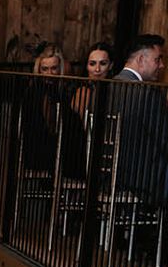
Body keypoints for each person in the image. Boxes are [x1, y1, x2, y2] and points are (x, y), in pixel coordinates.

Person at [112, 34, 168, 205]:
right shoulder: (148, 94)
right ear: (141, 59)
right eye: (158, 59)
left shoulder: (105, 88)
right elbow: (164, 139)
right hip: (143, 181)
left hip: (110, 177)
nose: (162, 65)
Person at [70, 41, 114, 121]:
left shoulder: (116, 89)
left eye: (103, 63)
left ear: (111, 65)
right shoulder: (82, 92)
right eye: (92, 64)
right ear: (86, 66)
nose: (97, 69)